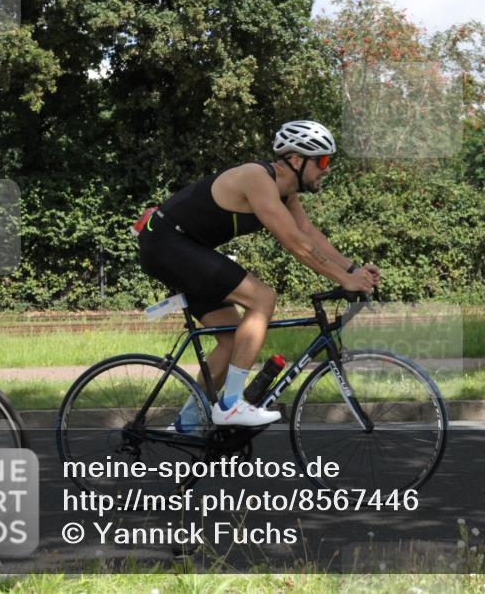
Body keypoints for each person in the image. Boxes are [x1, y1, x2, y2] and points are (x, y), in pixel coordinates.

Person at [137, 120, 378, 428]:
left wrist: (353, 270)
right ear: (296, 160)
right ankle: (231, 405)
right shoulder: (256, 178)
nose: (327, 169)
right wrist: (343, 280)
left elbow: (308, 234)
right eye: (323, 160)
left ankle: (188, 422)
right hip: (168, 243)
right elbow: (294, 243)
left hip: (181, 247)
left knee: (230, 338)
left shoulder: (286, 193)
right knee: (262, 298)